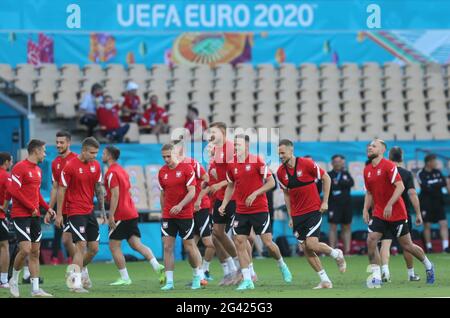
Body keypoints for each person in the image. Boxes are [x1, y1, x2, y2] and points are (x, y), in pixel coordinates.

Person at [219, 134, 292, 291]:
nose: (235, 148)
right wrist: (224, 204)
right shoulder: (231, 165)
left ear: (246, 146)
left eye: (238, 145)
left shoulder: (257, 160)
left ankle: (281, 264)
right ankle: (247, 279)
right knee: (239, 241)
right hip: (241, 210)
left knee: (267, 243)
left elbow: (271, 182)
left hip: (259, 208)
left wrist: (255, 193)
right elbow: (230, 186)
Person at [363, 139, 435, 288]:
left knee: (407, 245)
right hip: (379, 213)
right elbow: (369, 192)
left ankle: (428, 265)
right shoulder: (367, 170)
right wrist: (365, 209)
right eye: (369, 145)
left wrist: (389, 204)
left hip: (396, 213)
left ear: (383, 150)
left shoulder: (389, 166)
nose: (370, 147)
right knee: (371, 239)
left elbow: (400, 187)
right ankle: (376, 277)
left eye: (374, 146)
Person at [277, 139, 346, 289]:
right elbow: (286, 195)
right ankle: (325, 280)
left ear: (291, 150)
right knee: (306, 249)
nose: (281, 156)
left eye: (283, 152)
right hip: (297, 215)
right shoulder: (280, 172)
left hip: (313, 210)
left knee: (312, 244)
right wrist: (290, 216)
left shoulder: (306, 163)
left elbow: (326, 177)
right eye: (279, 153)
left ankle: (336, 254)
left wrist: (325, 201)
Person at [102, 146, 165, 286]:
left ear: (109, 156)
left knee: (114, 246)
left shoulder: (111, 172)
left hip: (121, 214)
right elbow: (127, 192)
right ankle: (156, 265)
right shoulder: (122, 171)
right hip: (131, 212)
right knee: (136, 244)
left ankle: (125, 278)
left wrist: (111, 215)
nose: (102, 155)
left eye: (104, 153)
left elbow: (117, 194)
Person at [58, 137, 106, 293]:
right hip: (75, 211)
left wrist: (103, 211)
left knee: (94, 249)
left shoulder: (96, 165)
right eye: (92, 153)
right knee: (81, 247)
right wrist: (59, 214)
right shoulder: (70, 166)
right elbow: (61, 189)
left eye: (97, 153)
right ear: (83, 150)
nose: (95, 156)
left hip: (90, 211)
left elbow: (99, 188)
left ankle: (73, 272)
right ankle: (76, 285)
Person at [8, 139, 55, 297]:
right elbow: (14, 191)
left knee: (35, 252)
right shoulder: (19, 167)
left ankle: (35, 289)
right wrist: (31, 207)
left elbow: (37, 194)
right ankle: (13, 280)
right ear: (36, 151)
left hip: (35, 215)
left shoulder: (38, 170)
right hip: (21, 215)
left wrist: (48, 208)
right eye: (44, 151)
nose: (45, 154)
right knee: (26, 250)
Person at [158, 143, 204, 290]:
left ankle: (197, 276)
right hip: (168, 215)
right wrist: (163, 210)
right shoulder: (162, 172)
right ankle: (170, 282)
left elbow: (192, 192)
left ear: (175, 154)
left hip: (185, 214)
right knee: (167, 247)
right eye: (163, 157)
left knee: (189, 247)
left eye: (168, 156)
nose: (166, 159)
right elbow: (162, 193)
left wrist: (180, 205)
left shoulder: (187, 169)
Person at [172, 138, 215, 284]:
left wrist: (198, 198)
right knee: (190, 245)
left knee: (209, 242)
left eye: (175, 150)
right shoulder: (172, 167)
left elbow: (207, 180)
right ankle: (199, 275)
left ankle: (216, 267)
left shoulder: (192, 163)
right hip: (187, 210)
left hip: (200, 207)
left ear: (181, 150)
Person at [379, 146, 423, 282]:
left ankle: (385, 271)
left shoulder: (383, 172)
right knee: (407, 245)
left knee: (385, 243)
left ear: (389, 156)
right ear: (401, 157)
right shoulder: (406, 174)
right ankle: (411, 274)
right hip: (402, 213)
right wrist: (418, 213)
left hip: (384, 212)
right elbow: (412, 193)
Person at [208, 122, 242, 284]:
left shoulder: (230, 149)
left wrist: (218, 184)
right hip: (220, 198)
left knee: (239, 237)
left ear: (222, 132)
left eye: (213, 132)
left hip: (234, 197)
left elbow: (234, 177)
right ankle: (233, 268)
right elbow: (219, 173)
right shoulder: (215, 151)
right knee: (216, 234)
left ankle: (243, 268)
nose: (210, 135)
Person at [46, 131, 78, 266]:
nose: (58, 145)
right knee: (64, 239)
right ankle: (80, 270)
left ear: (69, 143)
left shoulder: (77, 159)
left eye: (61, 142)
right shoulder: (55, 163)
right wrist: (49, 208)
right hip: (61, 208)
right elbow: (55, 188)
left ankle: (80, 269)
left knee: (78, 242)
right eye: (57, 142)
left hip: (76, 207)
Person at [417, 154, 449, 253]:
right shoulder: (421, 173)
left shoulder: (438, 172)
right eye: (434, 161)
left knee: (443, 223)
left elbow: (443, 183)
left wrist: (432, 184)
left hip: (438, 202)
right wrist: (436, 184)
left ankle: (446, 247)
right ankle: (429, 247)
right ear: (428, 162)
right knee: (427, 225)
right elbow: (425, 187)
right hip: (426, 203)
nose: (436, 163)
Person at [327, 154, 354, 255]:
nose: (338, 163)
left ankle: (347, 251)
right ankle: (332, 251)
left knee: (346, 227)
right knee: (333, 227)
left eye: (339, 161)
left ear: (342, 162)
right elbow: (328, 186)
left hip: (346, 205)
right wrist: (341, 183)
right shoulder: (329, 174)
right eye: (336, 162)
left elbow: (351, 183)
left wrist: (339, 182)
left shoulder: (346, 173)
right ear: (332, 163)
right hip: (333, 205)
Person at [0, 152, 12, 288]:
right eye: (11, 161)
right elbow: (12, 193)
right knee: (4, 246)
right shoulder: (5, 176)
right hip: (0, 216)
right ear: (7, 162)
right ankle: (3, 280)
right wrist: (4, 206)